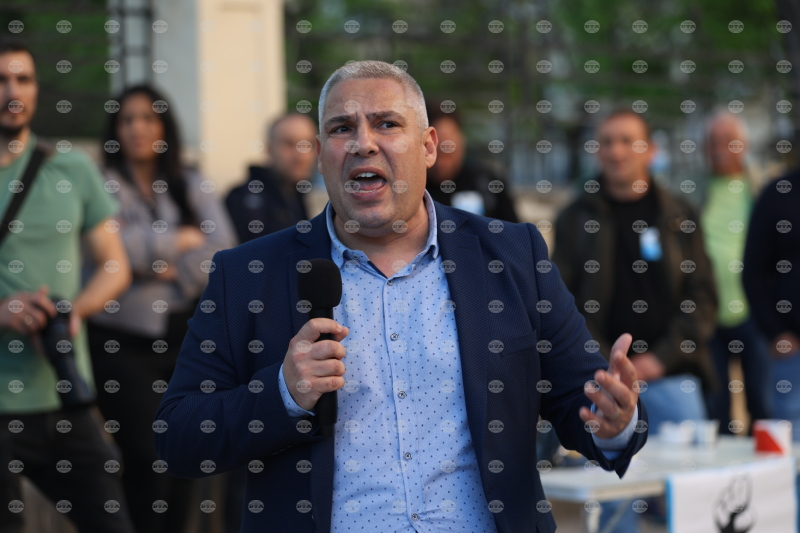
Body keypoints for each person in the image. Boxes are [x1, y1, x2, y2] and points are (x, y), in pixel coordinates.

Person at [154, 60, 648, 533]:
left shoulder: (512, 255)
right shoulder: (248, 274)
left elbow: (580, 395)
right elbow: (178, 436)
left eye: (386, 124)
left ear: (429, 146)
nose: (363, 143)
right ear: (321, 154)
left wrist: (614, 422)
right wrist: (283, 393)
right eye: (342, 129)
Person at [553, 109, 718, 532]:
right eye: (607, 141)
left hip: (673, 379)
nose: (616, 151)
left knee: (696, 498)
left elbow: (703, 297)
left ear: (650, 150)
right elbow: (560, 303)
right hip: (604, 383)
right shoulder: (575, 217)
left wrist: (659, 359)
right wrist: (609, 367)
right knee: (614, 506)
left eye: (627, 140)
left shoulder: (679, 214)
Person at [84, 84, 237, 533]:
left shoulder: (191, 182)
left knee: (187, 450)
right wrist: (177, 242)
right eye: (127, 119)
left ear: (165, 127)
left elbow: (222, 250)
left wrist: (165, 268)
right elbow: (110, 250)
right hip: (120, 340)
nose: (138, 128)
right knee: (146, 455)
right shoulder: (98, 182)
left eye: (148, 118)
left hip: (184, 339)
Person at [0, 37, 135, 532]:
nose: (12, 91)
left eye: (23, 79)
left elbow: (114, 266)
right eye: (1, 80)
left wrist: (75, 311)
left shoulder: (71, 168)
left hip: (65, 394)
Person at [700, 112, 771, 435]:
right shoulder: (694, 191)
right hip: (709, 314)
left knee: (763, 402)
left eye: (728, 141)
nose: (719, 149)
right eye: (712, 142)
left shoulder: (761, 189)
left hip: (754, 312)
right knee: (715, 408)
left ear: (744, 145)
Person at [225, 113, 316, 244]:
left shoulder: (308, 196)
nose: (301, 156)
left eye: (308, 145)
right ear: (269, 149)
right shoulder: (241, 200)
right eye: (289, 144)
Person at [425, 101, 519, 222]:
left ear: (462, 140)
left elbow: (513, 229)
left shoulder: (486, 182)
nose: (442, 163)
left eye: (449, 153)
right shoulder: (416, 192)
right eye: (436, 154)